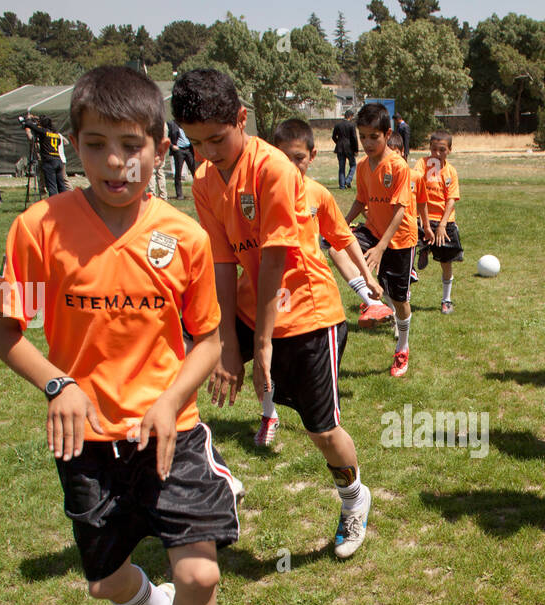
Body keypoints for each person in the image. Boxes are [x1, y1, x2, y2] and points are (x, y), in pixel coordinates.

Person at [0, 66, 238, 605]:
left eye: (131, 145)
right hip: (88, 442)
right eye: (96, 145)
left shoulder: (183, 238)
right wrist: (58, 383)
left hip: (171, 431)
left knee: (200, 571)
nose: (115, 163)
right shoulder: (39, 227)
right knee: (103, 584)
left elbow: (209, 342)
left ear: (161, 149)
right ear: (73, 144)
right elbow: (7, 333)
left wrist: (168, 401)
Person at [174, 69, 374, 560]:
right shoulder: (203, 179)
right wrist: (224, 339)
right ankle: (218, 477)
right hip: (249, 308)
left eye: (217, 140)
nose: (208, 153)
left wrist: (259, 345)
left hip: (307, 315)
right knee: (175, 364)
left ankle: (354, 499)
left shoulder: (275, 171)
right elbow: (222, 260)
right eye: (196, 143)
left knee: (321, 431)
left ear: (242, 120)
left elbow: (272, 261)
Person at [270, 118, 391, 327]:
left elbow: (344, 238)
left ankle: (375, 305)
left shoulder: (318, 194)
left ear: (312, 155)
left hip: (311, 291)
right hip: (271, 287)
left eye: (298, 158)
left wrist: (368, 278)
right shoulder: (259, 193)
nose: (291, 166)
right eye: (284, 158)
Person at [345, 103, 418, 377]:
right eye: (362, 137)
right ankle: (372, 301)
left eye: (373, 137)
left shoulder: (399, 167)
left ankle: (402, 346)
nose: (366, 143)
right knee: (336, 244)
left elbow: (400, 210)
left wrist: (380, 248)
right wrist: (341, 223)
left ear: (387, 134)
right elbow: (361, 200)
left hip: (399, 239)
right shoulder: (363, 165)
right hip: (372, 229)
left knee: (399, 301)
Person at [414, 130, 462, 315]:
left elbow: (451, 200)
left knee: (446, 262)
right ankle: (424, 247)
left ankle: (446, 300)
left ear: (449, 150)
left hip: (444, 221)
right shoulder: (422, 164)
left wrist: (442, 225)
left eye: (442, 150)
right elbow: (415, 182)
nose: (437, 154)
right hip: (422, 218)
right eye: (433, 149)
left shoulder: (451, 172)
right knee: (404, 253)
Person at [167, 119, 196, 199]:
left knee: (195, 172)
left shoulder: (187, 123)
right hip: (179, 150)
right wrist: (172, 146)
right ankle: (179, 195)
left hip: (189, 149)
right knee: (178, 173)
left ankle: (199, 192)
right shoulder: (171, 124)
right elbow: (166, 137)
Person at [331, 109, 359, 189]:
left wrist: (338, 143)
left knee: (341, 167)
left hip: (340, 148)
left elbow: (333, 137)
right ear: (350, 116)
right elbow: (354, 138)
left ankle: (342, 185)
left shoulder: (338, 125)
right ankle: (348, 180)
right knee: (353, 165)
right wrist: (356, 150)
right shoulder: (351, 125)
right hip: (349, 148)